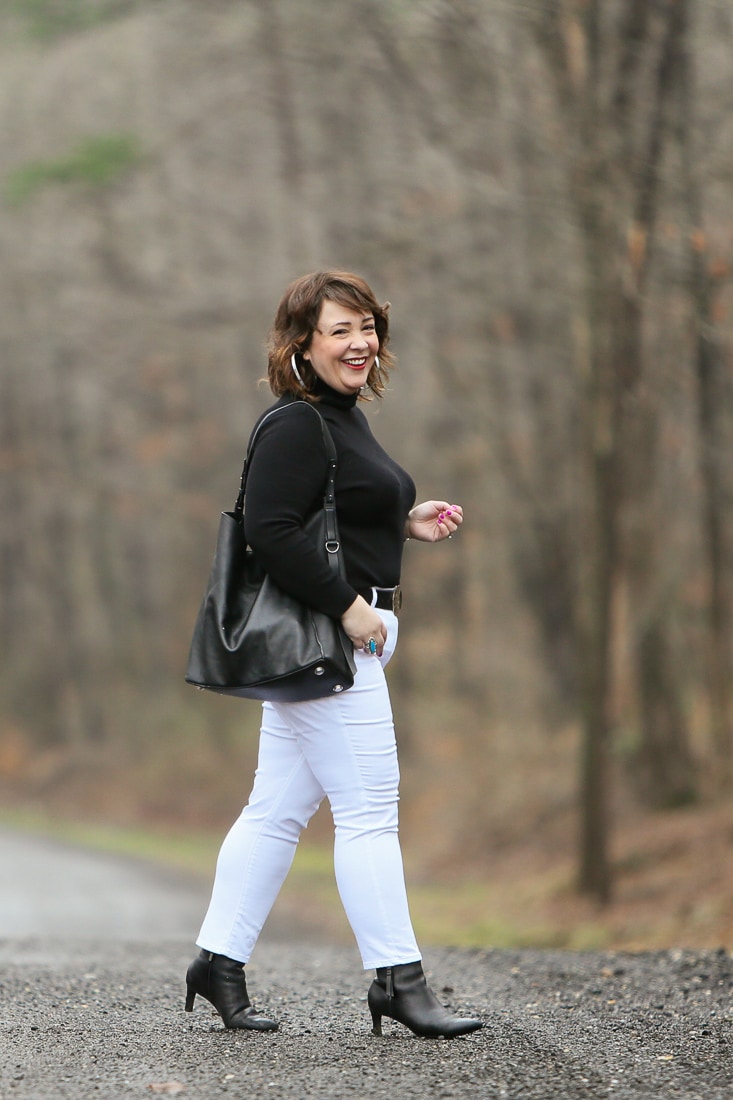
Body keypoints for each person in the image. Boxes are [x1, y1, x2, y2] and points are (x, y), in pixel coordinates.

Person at [185, 271, 482, 1039]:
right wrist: (350, 606)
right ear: (302, 346)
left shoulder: (341, 419)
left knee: (275, 809)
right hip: (330, 645)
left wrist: (400, 524)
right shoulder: (297, 424)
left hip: (339, 638)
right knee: (369, 812)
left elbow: (324, 516)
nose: (359, 344)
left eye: (367, 327)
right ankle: (397, 979)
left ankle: (216, 962)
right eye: (339, 331)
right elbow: (271, 531)